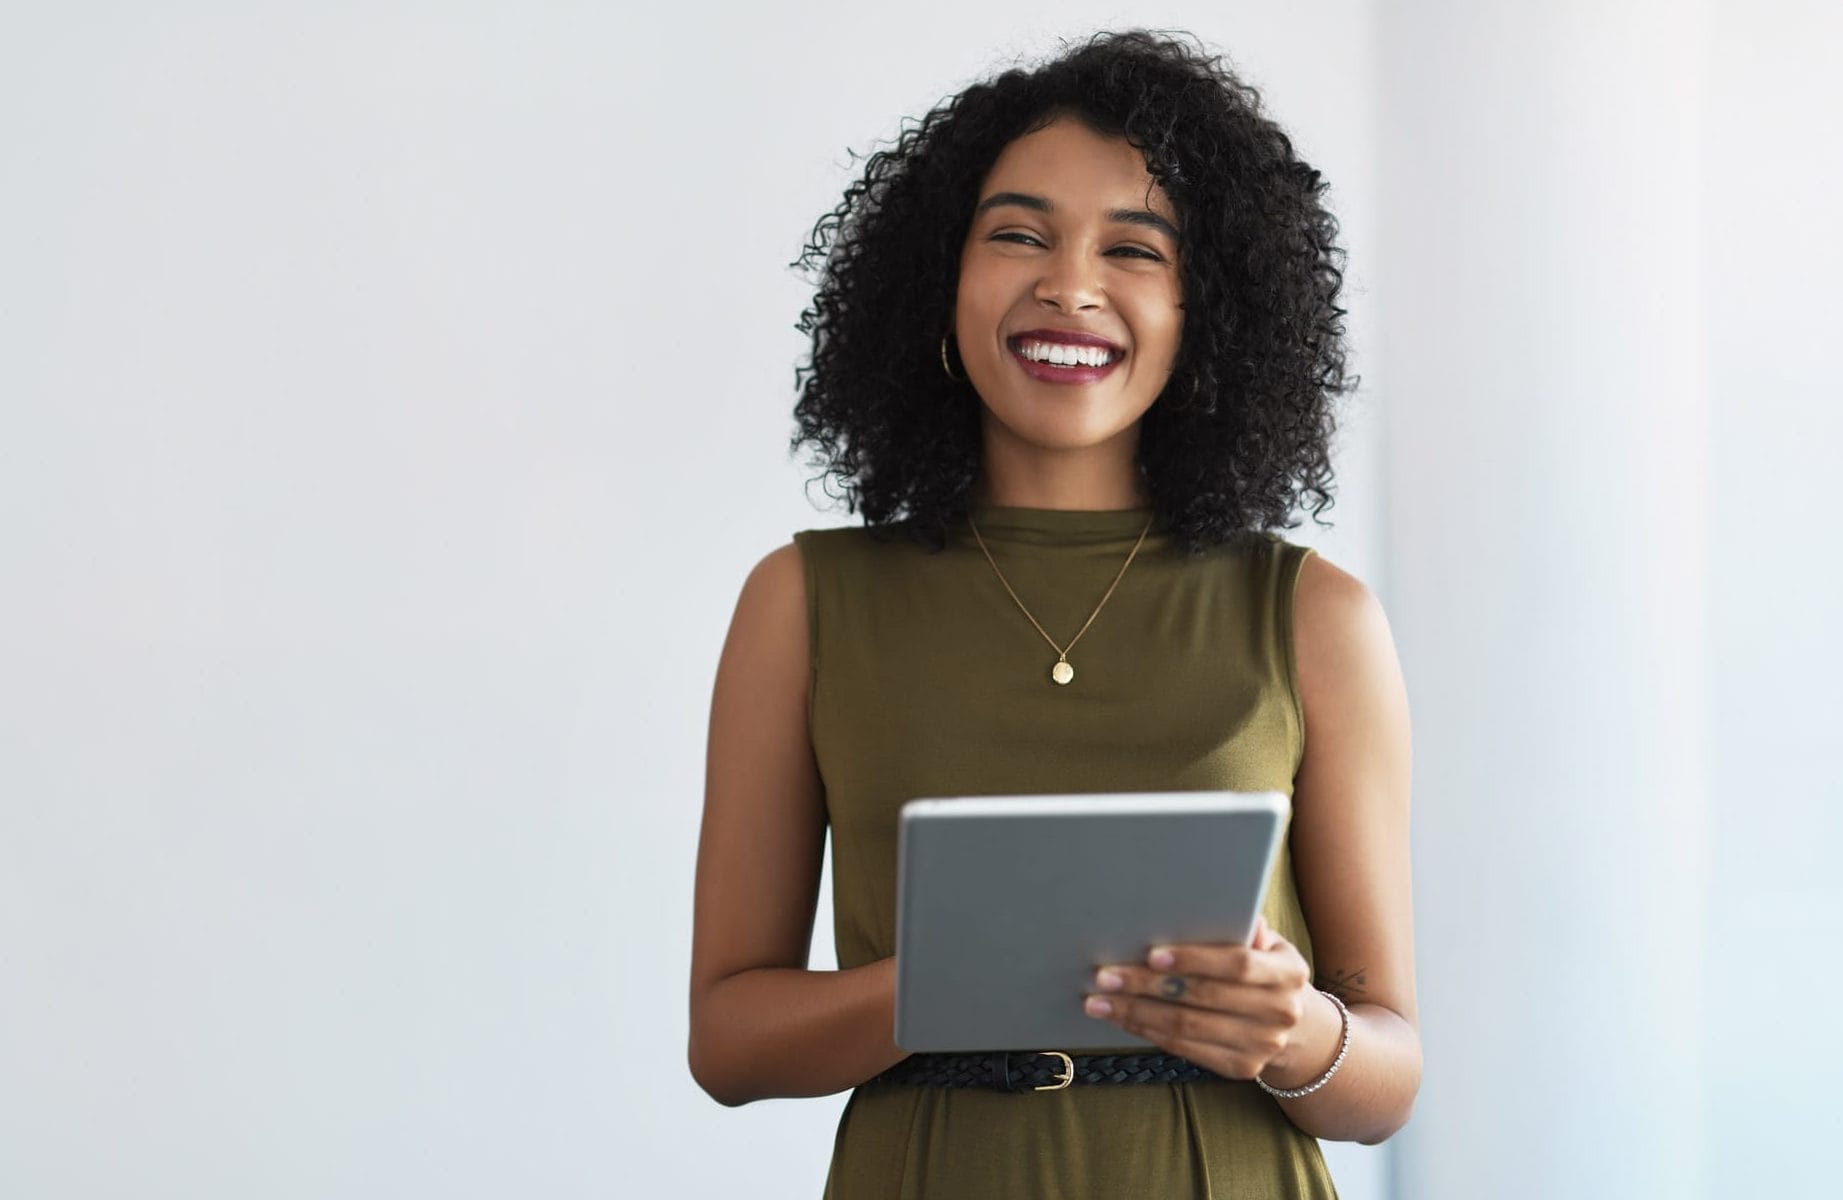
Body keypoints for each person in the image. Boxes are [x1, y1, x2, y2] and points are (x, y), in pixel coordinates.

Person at [688, 29, 1418, 1198]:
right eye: (1017, 235)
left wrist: (1297, 1031)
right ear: (940, 281)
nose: (1069, 284)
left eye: (1134, 250)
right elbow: (727, 1042)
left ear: (1204, 313)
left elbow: (1388, 1077)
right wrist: (952, 976)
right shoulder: (804, 603)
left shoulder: (1313, 617)